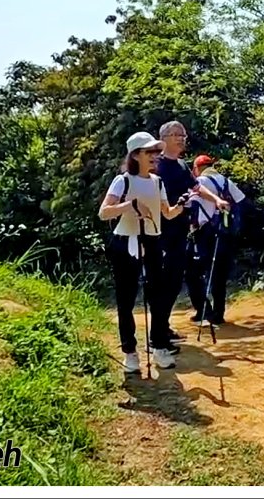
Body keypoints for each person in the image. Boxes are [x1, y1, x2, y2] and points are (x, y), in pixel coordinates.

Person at [98, 131, 189, 372]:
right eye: (150, 152)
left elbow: (166, 213)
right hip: (125, 241)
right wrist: (130, 206)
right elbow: (104, 212)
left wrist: (182, 204)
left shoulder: (157, 182)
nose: (155, 156)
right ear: (135, 155)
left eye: (157, 152)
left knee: (158, 295)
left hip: (151, 240)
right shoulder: (123, 180)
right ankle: (130, 353)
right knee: (126, 299)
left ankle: (159, 346)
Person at [156, 121, 231, 341]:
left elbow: (196, 187)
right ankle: (158, 331)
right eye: (176, 134)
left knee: (175, 280)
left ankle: (163, 327)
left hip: (180, 231)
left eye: (183, 135)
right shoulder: (155, 165)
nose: (181, 138)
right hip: (158, 232)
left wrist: (217, 200)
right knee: (163, 281)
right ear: (163, 138)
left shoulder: (180, 165)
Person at [188, 154, 247, 324]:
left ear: (197, 168)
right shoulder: (226, 181)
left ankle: (203, 309)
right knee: (218, 275)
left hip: (204, 233)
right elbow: (242, 202)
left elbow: (190, 205)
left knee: (193, 273)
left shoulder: (199, 183)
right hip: (225, 234)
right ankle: (218, 314)